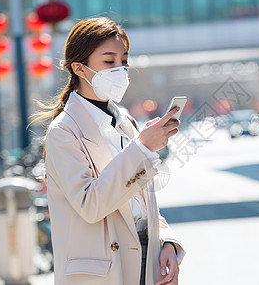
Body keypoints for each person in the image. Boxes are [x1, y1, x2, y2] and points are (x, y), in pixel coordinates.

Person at [30, 17, 185, 285]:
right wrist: (142, 148)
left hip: (146, 264)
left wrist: (167, 242)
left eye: (124, 61)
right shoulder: (63, 131)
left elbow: (141, 204)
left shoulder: (125, 121)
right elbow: (90, 204)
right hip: (102, 273)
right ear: (79, 68)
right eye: (109, 61)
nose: (120, 69)